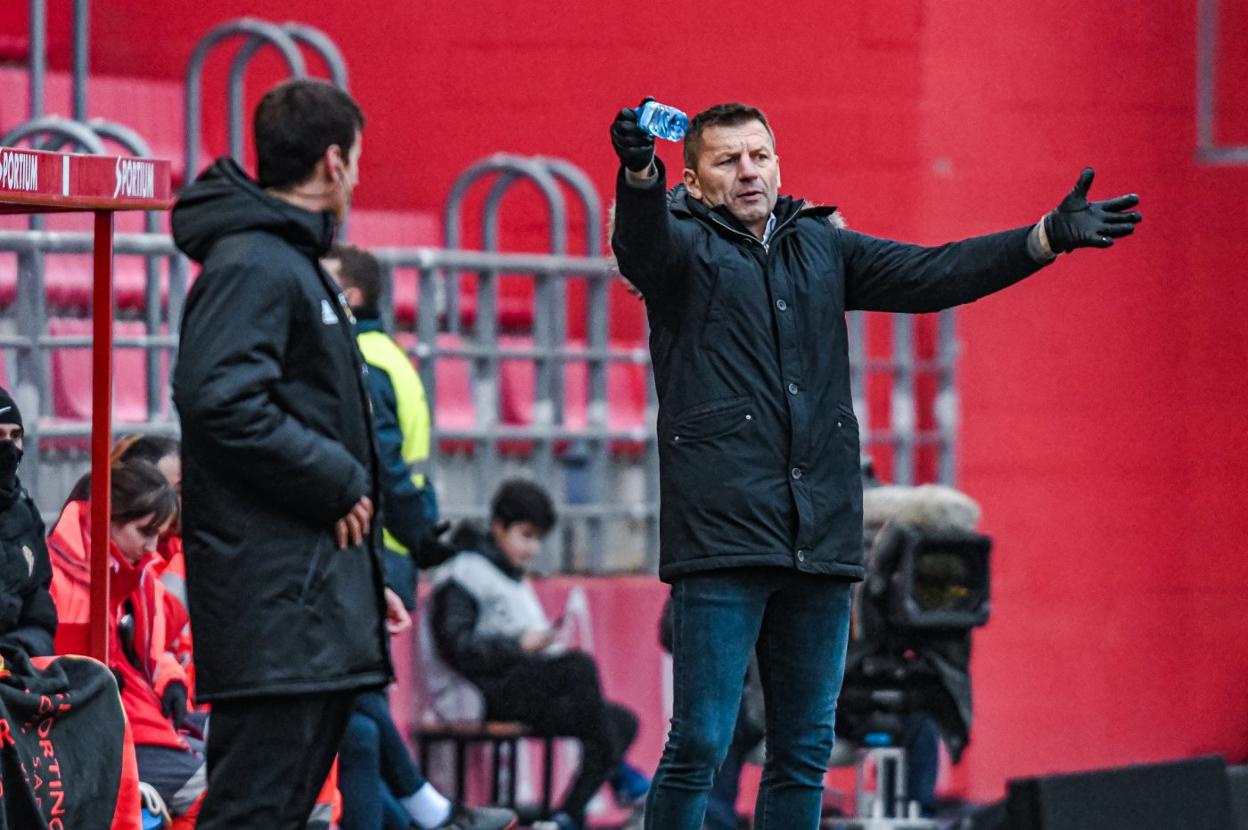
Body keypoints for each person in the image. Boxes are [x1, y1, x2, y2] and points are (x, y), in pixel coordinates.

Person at [608, 100, 1142, 829]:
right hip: (721, 540)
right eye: (728, 161)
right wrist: (639, 174)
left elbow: (931, 274)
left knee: (802, 750)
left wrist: (1042, 239)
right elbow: (639, 247)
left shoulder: (821, 245)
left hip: (820, 538)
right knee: (700, 740)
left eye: (759, 155)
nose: (748, 171)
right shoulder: (679, 251)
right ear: (696, 182)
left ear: (778, 162)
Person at [171, 78, 406, 830]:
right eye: (359, 161)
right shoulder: (256, 264)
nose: (359, 179)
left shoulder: (289, 264)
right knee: (251, 812)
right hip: (276, 616)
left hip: (306, 610)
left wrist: (360, 589)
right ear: (334, 163)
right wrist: (337, 480)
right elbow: (219, 400)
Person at [323, 246, 516, 830]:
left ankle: (426, 813)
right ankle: (425, 813)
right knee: (357, 723)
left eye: (324, 281)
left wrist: (415, 535)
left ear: (351, 297)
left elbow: (382, 463)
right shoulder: (390, 356)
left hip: (372, 550)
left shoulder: (359, 359)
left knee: (357, 720)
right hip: (391, 551)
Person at [427, 479, 650, 830]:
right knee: (579, 668)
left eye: (537, 538)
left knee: (621, 720)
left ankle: (566, 815)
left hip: (521, 684)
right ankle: (617, 780)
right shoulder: (465, 573)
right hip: (484, 691)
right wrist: (519, 646)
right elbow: (458, 646)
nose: (532, 548)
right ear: (499, 526)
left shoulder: (510, 574)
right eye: (525, 535)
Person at [49, 459, 203, 827]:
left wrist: (171, 681)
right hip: (103, 729)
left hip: (139, 716)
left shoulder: (134, 575)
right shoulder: (65, 579)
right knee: (211, 790)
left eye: (159, 536)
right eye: (144, 532)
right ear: (109, 519)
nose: (152, 548)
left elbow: (151, 650)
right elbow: (63, 667)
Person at [0, 387, 56, 659]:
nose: (8, 447)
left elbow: (39, 616)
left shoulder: (26, 515)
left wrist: (19, 653)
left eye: (15, 436)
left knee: (99, 681)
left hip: (15, 666)